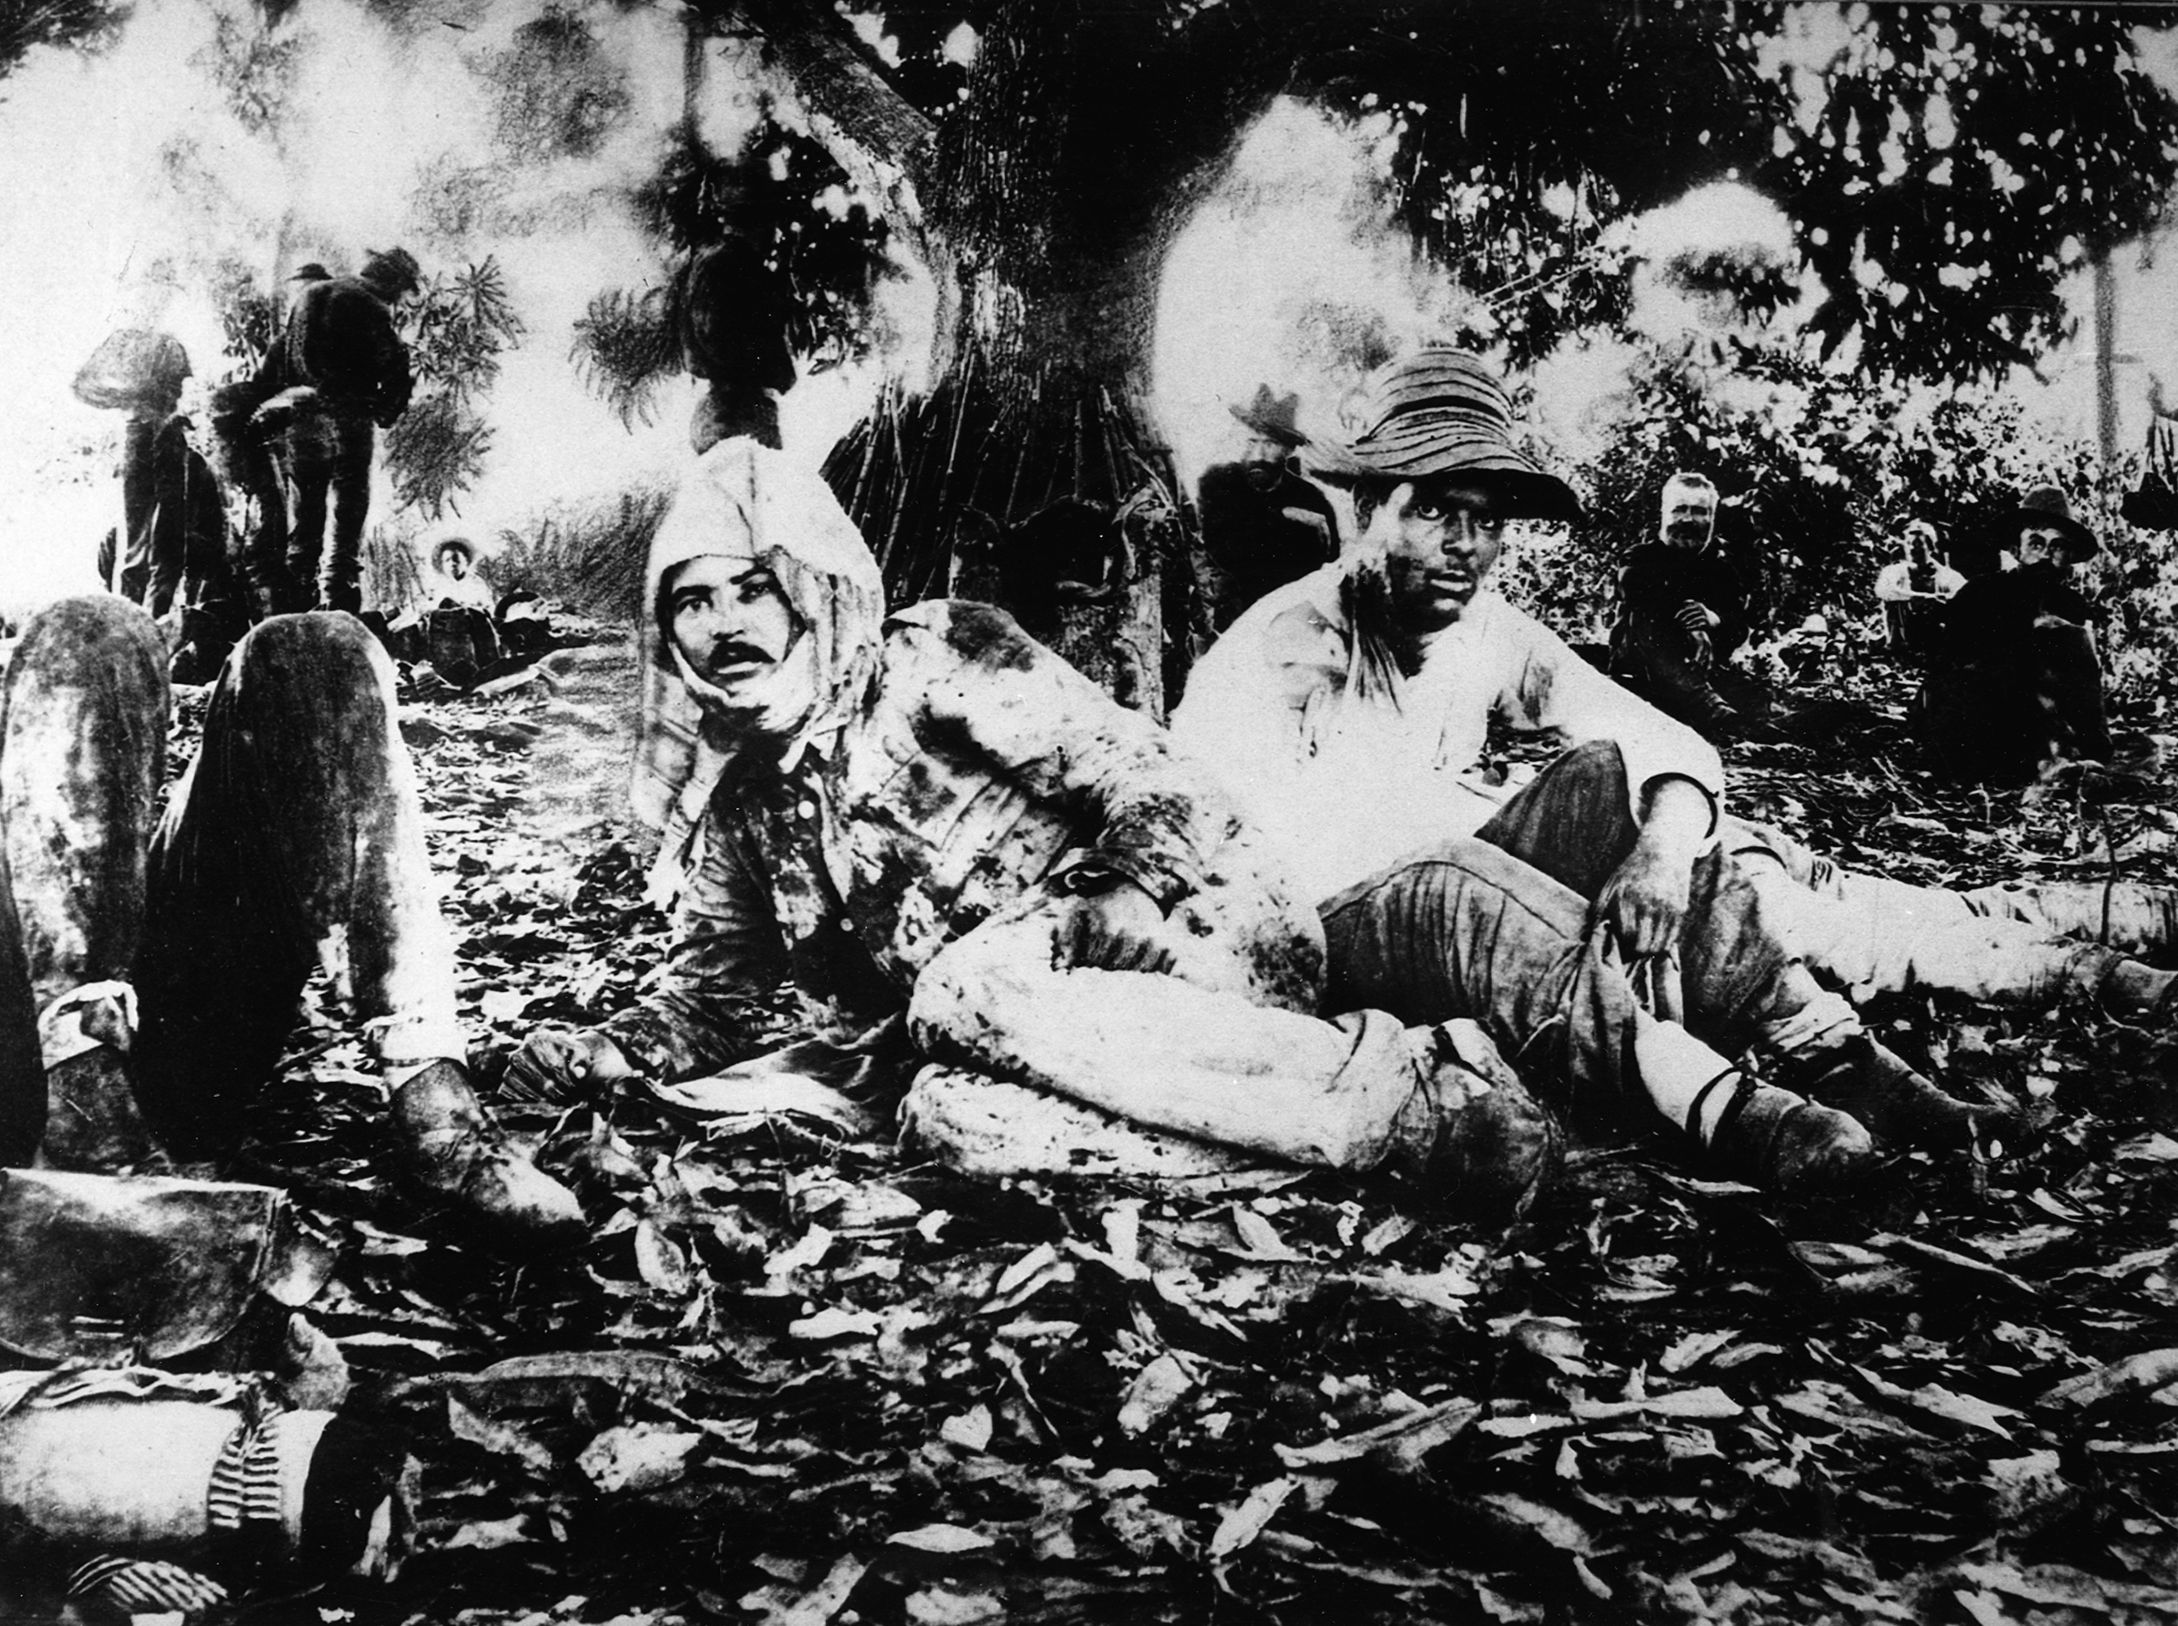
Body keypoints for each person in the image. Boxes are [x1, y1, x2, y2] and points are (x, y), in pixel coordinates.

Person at [506, 438, 1900, 1205]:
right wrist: (578, 1053)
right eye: (691, 600)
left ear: (812, 585)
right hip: (1070, 1031)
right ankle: (1446, 1116)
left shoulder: (934, 659)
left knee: (969, 979)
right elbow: (712, 993)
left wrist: (1100, 893)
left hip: (1200, 931)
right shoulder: (743, 808)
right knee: (944, 1117)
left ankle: (1427, 1097)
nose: (724, 623)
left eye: (750, 588)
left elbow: (1155, 781)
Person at [1176, 348, 2178, 1154]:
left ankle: (1846, 1064)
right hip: (1331, 924)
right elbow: (1248, 850)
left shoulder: (1486, 628)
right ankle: (1733, 1116)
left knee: (1618, 792)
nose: (1466, 547)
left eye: (1487, 522)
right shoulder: (1286, 646)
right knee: (1462, 877)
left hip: (1469, 898)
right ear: (1366, 508)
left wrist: (1656, 848)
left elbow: (1660, 736)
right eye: (1434, 508)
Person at [0, 596, 581, 1249]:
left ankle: (433, 1097)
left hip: (154, 1030)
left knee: (291, 645)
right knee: (80, 637)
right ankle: (87, 1121)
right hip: (18, 1071)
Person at [1921, 486, 2112, 784]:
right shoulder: (1980, 593)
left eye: (2059, 547)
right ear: (2015, 549)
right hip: (1982, 723)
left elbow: (2083, 684)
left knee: (2074, 640)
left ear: (2069, 556)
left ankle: (2065, 758)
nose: (2047, 555)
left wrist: (2094, 746)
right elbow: (1946, 670)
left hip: (2047, 729)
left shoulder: (2071, 605)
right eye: (2036, 544)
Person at [276, 248, 421, 613]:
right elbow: (395, 365)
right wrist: (384, 410)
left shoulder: (310, 295)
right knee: (347, 507)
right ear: (393, 282)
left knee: (305, 515)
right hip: (347, 419)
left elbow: (283, 359)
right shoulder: (371, 305)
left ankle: (293, 607)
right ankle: (339, 601)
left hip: (301, 417)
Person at [1606, 472, 1776, 741]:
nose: (1688, 519)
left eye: (1699, 511)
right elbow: (1638, 591)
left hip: (1701, 677)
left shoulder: (1722, 571)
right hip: (1642, 682)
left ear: (1712, 517)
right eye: (1679, 510)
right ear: (1664, 514)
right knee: (1644, 618)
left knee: (1770, 712)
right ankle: (1712, 712)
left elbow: (1738, 629)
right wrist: (1691, 624)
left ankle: (1727, 717)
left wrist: (1712, 619)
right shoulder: (1639, 558)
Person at [1195, 385, 1340, 633]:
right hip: (1231, 620)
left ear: (1289, 449)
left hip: (1290, 620)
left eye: (1270, 444)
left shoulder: (1311, 498)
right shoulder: (1219, 482)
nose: (1258, 454)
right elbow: (1224, 545)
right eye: (1252, 441)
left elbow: (1329, 560)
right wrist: (1285, 515)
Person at [1873, 519, 1965, 662]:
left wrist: (1939, 601)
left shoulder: (1948, 575)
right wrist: (1917, 597)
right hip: (1902, 641)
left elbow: (1965, 596)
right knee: (1897, 603)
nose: (1912, 549)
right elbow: (1883, 590)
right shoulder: (1894, 571)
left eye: (1918, 544)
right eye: (1909, 544)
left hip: (1936, 640)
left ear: (1930, 546)